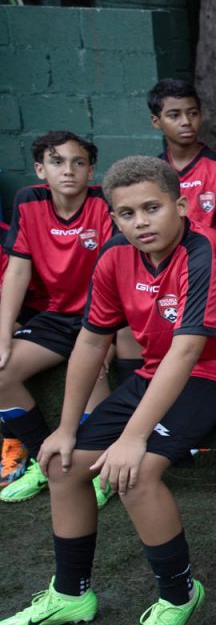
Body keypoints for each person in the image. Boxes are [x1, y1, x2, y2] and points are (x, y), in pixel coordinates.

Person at [0, 156, 216, 625]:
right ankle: (71, 593)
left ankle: (177, 597)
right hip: (156, 372)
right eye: (126, 213)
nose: (141, 222)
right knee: (61, 463)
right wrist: (64, 427)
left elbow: (189, 352)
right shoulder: (115, 256)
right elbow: (91, 342)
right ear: (113, 218)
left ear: (180, 206)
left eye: (152, 208)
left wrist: (133, 436)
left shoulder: (210, 250)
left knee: (137, 471)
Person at [0, 132, 113, 503]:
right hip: (57, 317)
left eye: (78, 162)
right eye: (57, 162)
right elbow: (16, 273)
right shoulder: (28, 201)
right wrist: (3, 337)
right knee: (2, 371)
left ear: (91, 169)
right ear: (39, 169)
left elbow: (116, 273)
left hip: (101, 317)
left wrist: (108, 338)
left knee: (95, 372)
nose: (68, 171)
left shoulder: (103, 203)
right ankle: (43, 460)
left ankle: (100, 474)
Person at [149, 79, 216, 251]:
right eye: (174, 115)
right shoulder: (153, 171)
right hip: (168, 255)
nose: (186, 121)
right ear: (156, 122)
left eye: (193, 113)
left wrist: (196, 255)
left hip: (212, 254)